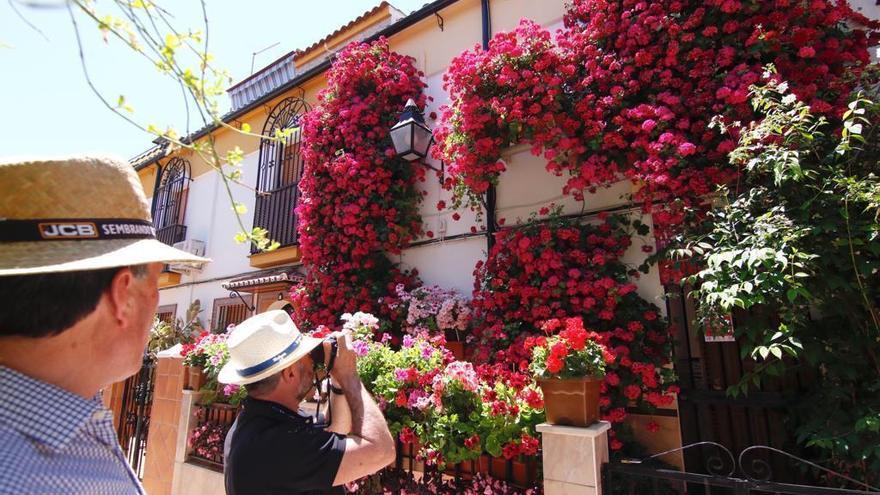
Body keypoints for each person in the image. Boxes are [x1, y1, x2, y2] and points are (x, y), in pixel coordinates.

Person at [0, 156, 209, 494]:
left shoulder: (70, 426)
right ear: (123, 295)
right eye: (156, 283)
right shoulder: (29, 479)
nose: (157, 300)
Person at [219, 310, 395, 495]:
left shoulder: (258, 423)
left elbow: (334, 433)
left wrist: (338, 381)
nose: (312, 363)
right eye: (306, 357)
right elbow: (381, 451)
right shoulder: (278, 445)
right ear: (290, 373)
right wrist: (349, 374)